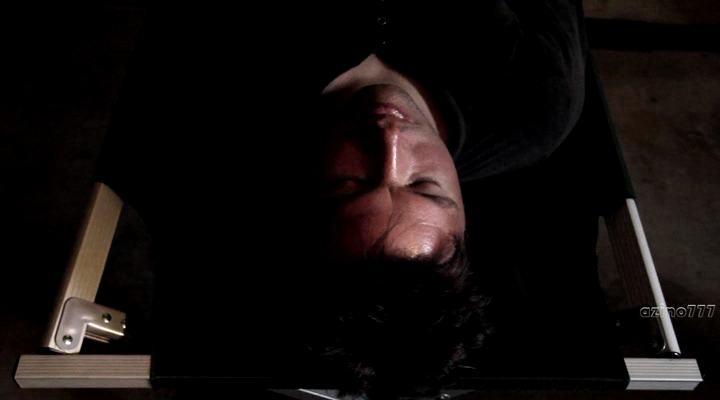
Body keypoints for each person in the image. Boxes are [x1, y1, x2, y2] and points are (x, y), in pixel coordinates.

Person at [98, 0, 589, 398]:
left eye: (350, 184)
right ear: (467, 218)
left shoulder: (229, 70)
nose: (390, 140)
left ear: (304, 195)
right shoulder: (535, 103)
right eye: (425, 186)